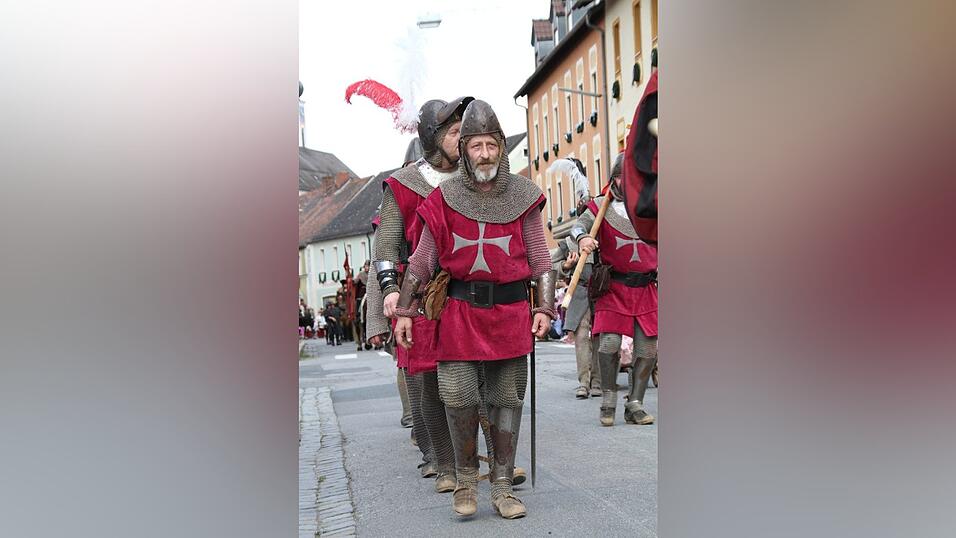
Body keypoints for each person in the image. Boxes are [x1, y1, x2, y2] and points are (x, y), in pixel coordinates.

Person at [393, 100, 555, 520]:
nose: (484, 154)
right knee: (459, 395)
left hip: (509, 312)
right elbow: (423, 260)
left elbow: (541, 259)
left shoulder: (524, 197)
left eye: (491, 145)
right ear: (463, 150)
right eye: (476, 146)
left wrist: (546, 307)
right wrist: (405, 312)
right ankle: (466, 480)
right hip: (460, 313)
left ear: (501, 147)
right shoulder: (444, 198)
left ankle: (502, 486)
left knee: (505, 397)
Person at [366, 97, 474, 493]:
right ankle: (441, 459)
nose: (462, 137)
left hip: (467, 292)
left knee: (469, 379)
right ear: (431, 137)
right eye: (453, 131)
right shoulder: (404, 184)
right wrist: (392, 290)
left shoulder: (474, 178)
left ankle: (468, 457)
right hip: (422, 292)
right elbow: (387, 245)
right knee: (428, 381)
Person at [572, 153, 658, 426]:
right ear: (615, 178)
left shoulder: (652, 207)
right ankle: (608, 397)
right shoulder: (599, 206)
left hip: (646, 286)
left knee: (648, 349)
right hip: (614, 286)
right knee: (609, 344)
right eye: (624, 176)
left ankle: (635, 403)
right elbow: (577, 227)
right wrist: (583, 237)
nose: (630, 182)